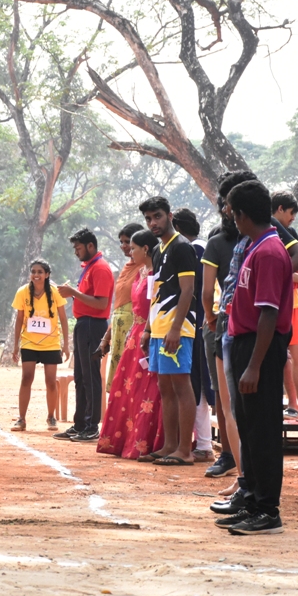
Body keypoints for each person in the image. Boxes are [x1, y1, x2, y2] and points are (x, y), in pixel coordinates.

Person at [214, 179, 294, 535]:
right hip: (245, 342)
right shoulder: (255, 246)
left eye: (233, 212)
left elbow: (269, 313)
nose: (231, 218)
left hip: (260, 346)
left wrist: (254, 365)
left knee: (263, 430)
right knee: (249, 427)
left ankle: (267, 509)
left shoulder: (269, 252)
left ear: (243, 215)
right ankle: (252, 498)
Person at [138, 197, 199, 465]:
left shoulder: (182, 247)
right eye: (148, 218)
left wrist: (175, 329)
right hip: (159, 329)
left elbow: (188, 290)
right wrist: (149, 329)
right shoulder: (157, 250)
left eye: (157, 216)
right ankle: (170, 445)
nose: (153, 223)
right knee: (165, 387)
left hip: (178, 329)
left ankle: (185, 450)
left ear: (170, 216)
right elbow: (157, 291)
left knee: (181, 385)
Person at [97, 229, 165, 459]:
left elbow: (155, 307)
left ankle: (144, 442)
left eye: (133, 247)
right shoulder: (140, 273)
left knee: (148, 390)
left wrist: (148, 331)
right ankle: (124, 440)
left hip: (148, 334)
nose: (130, 252)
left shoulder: (156, 274)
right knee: (129, 389)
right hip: (134, 335)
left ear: (145, 249)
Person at [55, 229, 115, 442]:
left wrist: (74, 293)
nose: (76, 252)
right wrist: (75, 294)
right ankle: (80, 423)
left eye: (78, 248)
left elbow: (101, 303)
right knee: (80, 376)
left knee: (90, 376)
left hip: (93, 324)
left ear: (90, 246)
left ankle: (91, 426)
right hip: (83, 324)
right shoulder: (89, 267)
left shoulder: (100, 268)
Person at [201, 189, 243, 480]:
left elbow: (207, 292)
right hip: (249, 323)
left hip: (223, 323)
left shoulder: (217, 242)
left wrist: (211, 317)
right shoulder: (265, 237)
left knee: (223, 396)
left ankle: (230, 455)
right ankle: (237, 459)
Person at [172, 207, 215, 461]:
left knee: (197, 383)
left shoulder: (193, 250)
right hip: (203, 321)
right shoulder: (204, 247)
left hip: (197, 322)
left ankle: (205, 444)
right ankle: (204, 442)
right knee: (200, 383)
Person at [10, 259, 70, 431]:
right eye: (33, 272)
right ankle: (21, 419)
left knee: (50, 381)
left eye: (40, 272)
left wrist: (66, 345)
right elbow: (19, 319)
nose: (36, 275)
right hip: (29, 342)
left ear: (47, 274)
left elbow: (63, 318)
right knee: (26, 378)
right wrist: (15, 345)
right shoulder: (22, 292)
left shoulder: (55, 292)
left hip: (51, 343)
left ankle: (51, 417)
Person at [271, 190, 298, 422]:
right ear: (279, 209)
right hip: (272, 303)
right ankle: (290, 404)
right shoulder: (263, 231)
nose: (293, 218)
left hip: (293, 301)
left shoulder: (289, 234)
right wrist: (297, 277)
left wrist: (296, 277)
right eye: (291, 212)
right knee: (278, 356)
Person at [98, 223, 144, 391]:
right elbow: (118, 306)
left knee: (131, 379)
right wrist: (107, 336)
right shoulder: (126, 268)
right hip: (118, 329)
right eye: (121, 242)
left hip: (135, 328)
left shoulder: (145, 268)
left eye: (127, 242)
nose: (124, 246)